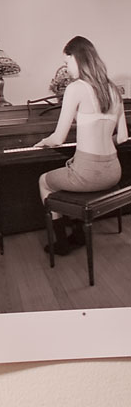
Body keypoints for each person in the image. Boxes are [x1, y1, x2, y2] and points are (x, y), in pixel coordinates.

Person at [29, 35, 128, 252]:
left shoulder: (76, 88)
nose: (66, 69)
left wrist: (40, 143)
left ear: (77, 57)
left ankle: (62, 243)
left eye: (66, 62)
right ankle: (78, 234)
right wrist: (99, 140)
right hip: (114, 172)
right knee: (70, 176)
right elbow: (121, 138)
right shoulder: (114, 90)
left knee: (44, 181)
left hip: (88, 176)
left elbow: (58, 138)